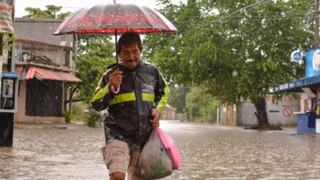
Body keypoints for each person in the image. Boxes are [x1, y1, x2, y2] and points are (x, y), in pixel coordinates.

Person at [91, 32, 169, 180]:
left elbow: (164, 93)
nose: (131, 56)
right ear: (119, 54)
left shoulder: (152, 72)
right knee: (118, 175)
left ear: (141, 50)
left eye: (135, 51)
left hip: (144, 138)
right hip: (116, 135)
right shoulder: (110, 75)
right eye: (125, 52)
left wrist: (157, 110)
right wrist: (110, 86)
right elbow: (96, 103)